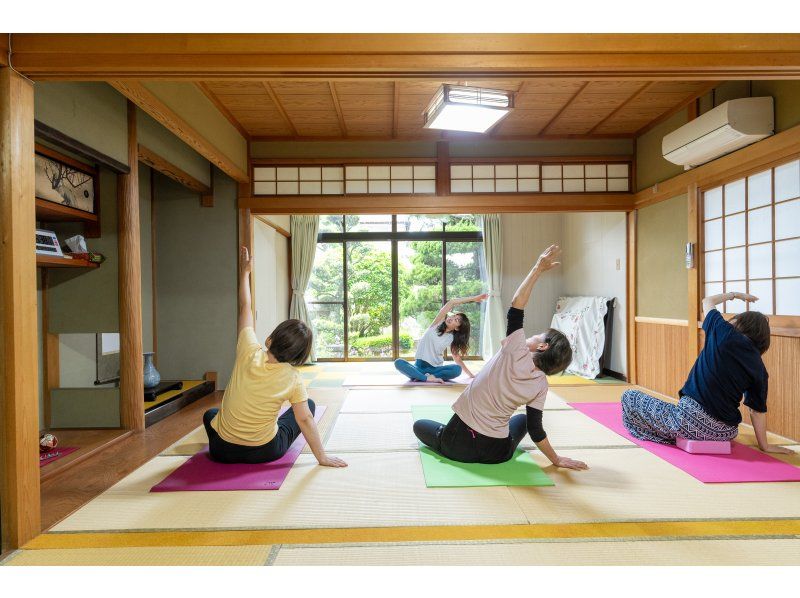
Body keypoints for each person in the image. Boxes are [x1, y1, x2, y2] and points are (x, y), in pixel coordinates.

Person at [413, 245, 589, 470]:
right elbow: (536, 430)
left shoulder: (515, 348)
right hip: (497, 452)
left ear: (543, 346)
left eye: (538, 335)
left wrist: (537, 268)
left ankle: (446, 439)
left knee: (420, 425)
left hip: (456, 444)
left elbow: (516, 305)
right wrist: (556, 459)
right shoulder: (541, 385)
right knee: (525, 419)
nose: (533, 334)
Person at [202, 246, 348, 467]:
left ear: (269, 339)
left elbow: (245, 307)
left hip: (221, 451)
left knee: (211, 414)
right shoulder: (293, 378)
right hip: (264, 452)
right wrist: (322, 457)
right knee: (306, 405)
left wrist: (245, 273)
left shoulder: (247, 351)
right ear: (298, 357)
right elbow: (305, 419)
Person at [621, 291, 792, 454]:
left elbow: (707, 301)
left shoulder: (723, 331)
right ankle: (681, 434)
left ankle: (677, 434)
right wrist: (765, 446)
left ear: (739, 324)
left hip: (688, 420)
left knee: (629, 396)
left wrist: (736, 295)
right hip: (726, 433)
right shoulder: (760, 368)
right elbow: (757, 410)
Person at [394, 293, 489, 383]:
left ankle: (421, 377)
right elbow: (451, 302)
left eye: (456, 320)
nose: (451, 318)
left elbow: (457, 358)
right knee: (399, 362)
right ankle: (426, 378)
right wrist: (474, 298)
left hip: (435, 369)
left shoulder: (451, 338)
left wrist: (471, 375)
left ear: (457, 328)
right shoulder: (436, 324)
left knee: (457, 369)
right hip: (418, 367)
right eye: (454, 315)